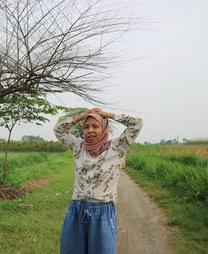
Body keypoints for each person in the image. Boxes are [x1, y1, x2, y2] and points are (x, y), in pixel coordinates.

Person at [54, 108, 143, 254]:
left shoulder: (117, 147)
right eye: (86, 127)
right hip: (77, 209)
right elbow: (59, 130)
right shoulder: (78, 147)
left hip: (103, 212)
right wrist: (81, 117)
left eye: (95, 126)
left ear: (104, 128)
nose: (90, 130)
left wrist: (107, 115)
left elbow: (137, 124)